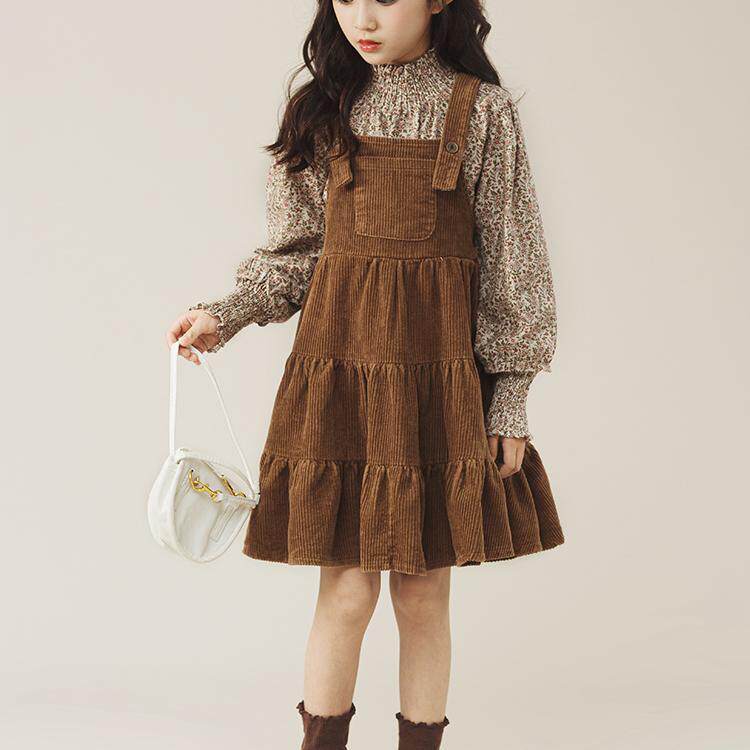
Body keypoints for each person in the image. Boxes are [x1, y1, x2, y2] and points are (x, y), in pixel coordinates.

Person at [166, 1, 565, 747]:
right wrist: (227, 313)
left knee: (423, 594)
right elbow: (297, 255)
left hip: (439, 386)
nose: (363, 18)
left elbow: (515, 264)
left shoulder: (483, 112)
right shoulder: (323, 110)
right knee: (346, 592)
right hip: (343, 381)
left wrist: (510, 397)